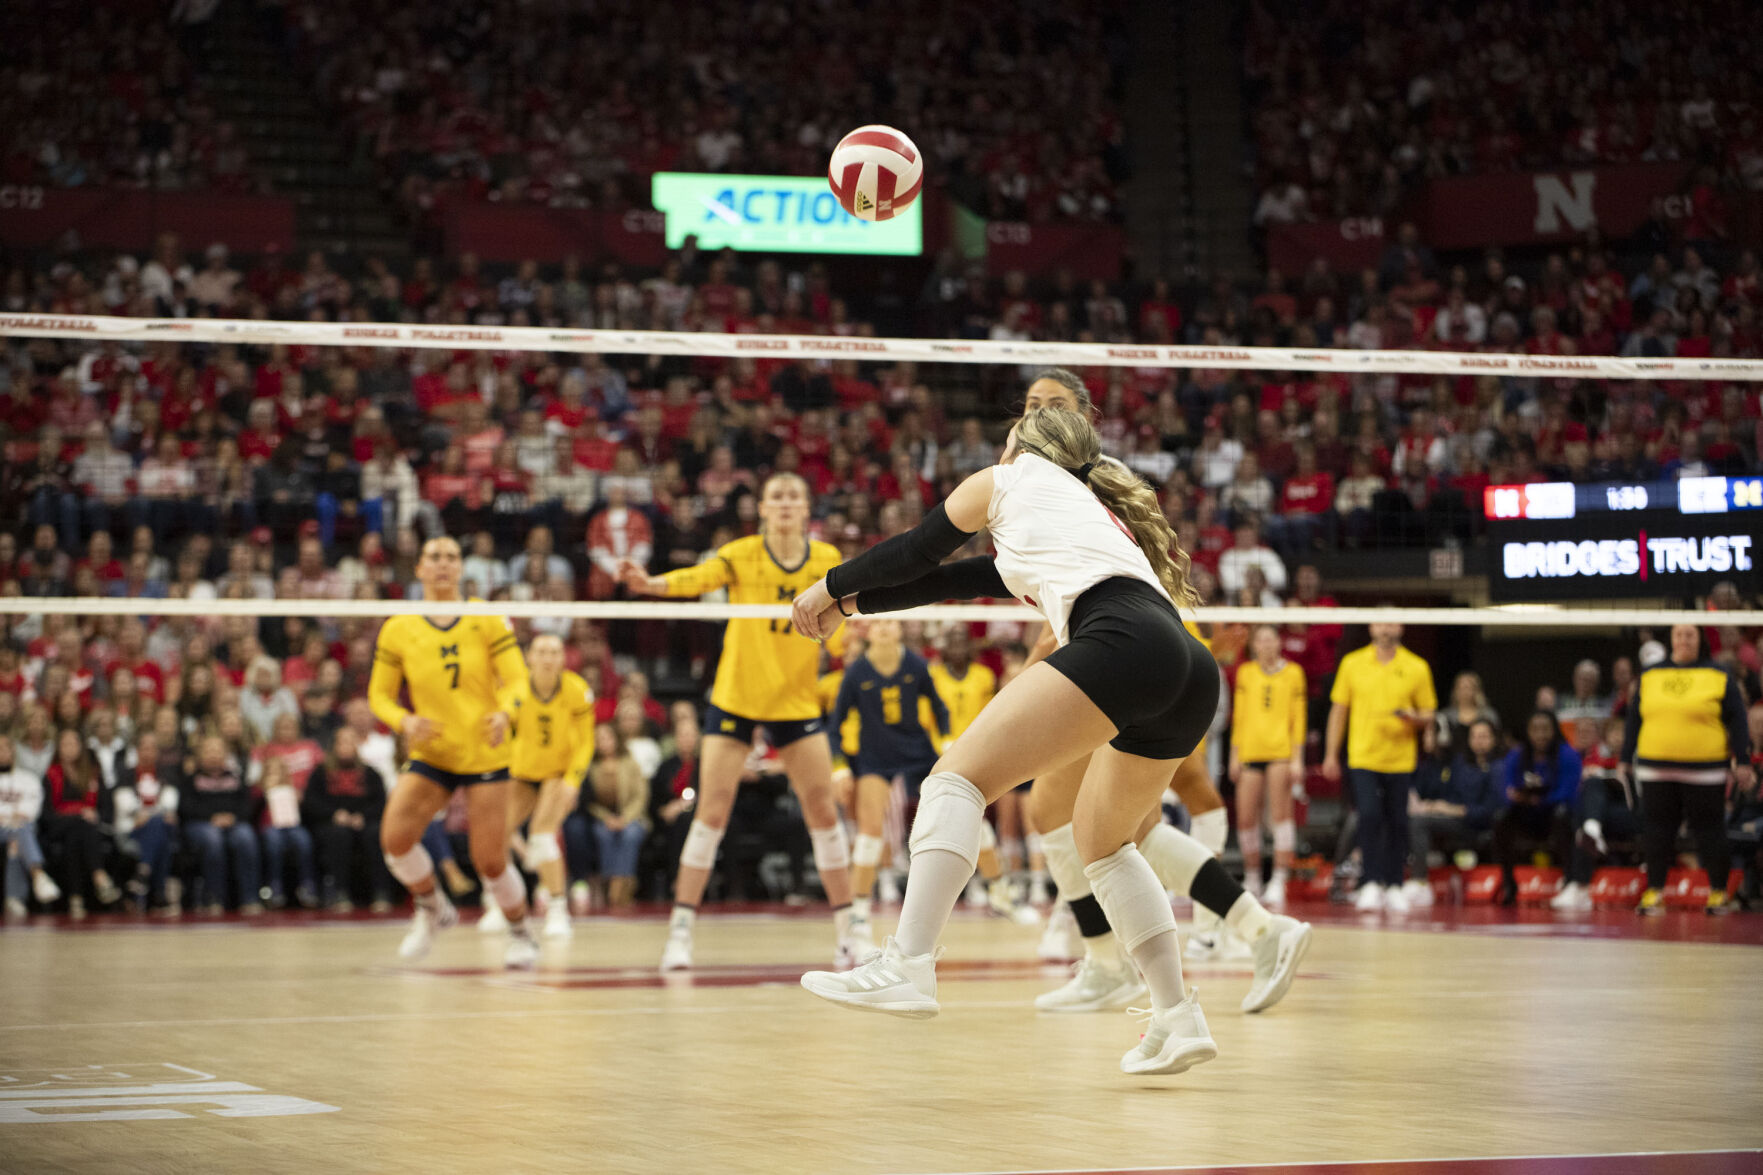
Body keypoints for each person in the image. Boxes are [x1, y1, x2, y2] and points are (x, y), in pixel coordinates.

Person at [794, 403, 1299, 1077]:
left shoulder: (1006, 479)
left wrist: (824, 586)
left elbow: (917, 550)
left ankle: (907, 963)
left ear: (1019, 445)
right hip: (1186, 663)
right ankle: (1177, 1017)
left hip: (1119, 639)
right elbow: (952, 581)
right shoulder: (1076, 511)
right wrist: (850, 605)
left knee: (955, 777)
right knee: (1105, 843)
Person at [620, 473, 865, 971]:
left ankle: (849, 932)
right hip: (737, 698)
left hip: (795, 704)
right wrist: (651, 585)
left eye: (794, 495)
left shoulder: (825, 560)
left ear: (806, 507)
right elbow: (698, 578)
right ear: (763, 508)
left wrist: (850, 640)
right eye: (777, 495)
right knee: (710, 812)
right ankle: (681, 933)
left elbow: (843, 620)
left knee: (822, 812)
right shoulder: (742, 552)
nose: (785, 503)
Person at [369, 535, 538, 968]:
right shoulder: (399, 627)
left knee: (490, 861)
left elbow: (519, 682)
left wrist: (507, 713)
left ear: (461, 568)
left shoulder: (485, 618)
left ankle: (521, 931)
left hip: (484, 752)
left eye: (451, 558)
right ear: (420, 568)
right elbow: (379, 696)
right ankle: (431, 907)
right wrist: (404, 721)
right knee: (395, 840)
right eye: (434, 558)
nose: (443, 564)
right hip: (434, 752)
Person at [1628, 624, 1754, 915]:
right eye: (1679, 634)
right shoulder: (1651, 674)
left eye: (1690, 634)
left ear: (1699, 639)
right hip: (1655, 767)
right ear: (1671, 638)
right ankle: (1654, 891)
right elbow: (1634, 718)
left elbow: (1737, 720)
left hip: (1705, 770)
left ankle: (1719, 892)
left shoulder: (1718, 674)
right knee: (1657, 832)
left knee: (1710, 831)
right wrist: (1625, 757)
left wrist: (1742, 760)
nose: (1683, 639)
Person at [831, 617, 949, 929]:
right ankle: (858, 910)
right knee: (869, 832)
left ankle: (996, 887)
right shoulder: (856, 672)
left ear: (901, 628)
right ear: (867, 630)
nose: (883, 627)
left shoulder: (916, 665)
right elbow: (834, 725)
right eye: (877, 622)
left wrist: (948, 742)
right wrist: (840, 767)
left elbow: (940, 709)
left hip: (917, 753)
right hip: (876, 757)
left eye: (891, 621)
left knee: (958, 806)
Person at [479, 633, 595, 939]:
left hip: (558, 774)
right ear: (529, 657)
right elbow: (508, 708)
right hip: (523, 773)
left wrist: (574, 780)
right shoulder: (518, 689)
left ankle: (558, 911)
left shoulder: (577, 690)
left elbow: (586, 742)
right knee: (497, 836)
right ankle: (499, 905)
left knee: (542, 837)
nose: (548, 658)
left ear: (563, 658)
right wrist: (501, 719)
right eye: (541, 652)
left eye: (555, 652)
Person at [1323, 620, 1437, 912]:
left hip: (1400, 759)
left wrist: (1413, 717)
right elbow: (1339, 710)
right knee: (1369, 817)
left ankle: (1395, 883)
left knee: (1399, 821)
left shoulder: (1416, 666)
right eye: (1380, 624)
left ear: (1400, 628)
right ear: (1372, 628)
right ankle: (1370, 882)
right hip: (1363, 756)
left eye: (1391, 624)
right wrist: (1331, 754)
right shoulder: (1353, 663)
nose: (1385, 629)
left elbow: (1429, 713)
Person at [1230, 624, 1306, 905]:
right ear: (1254, 645)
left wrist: (1297, 759)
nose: (1265, 644)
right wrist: (1234, 755)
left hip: (1281, 753)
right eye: (1260, 640)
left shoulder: (1293, 673)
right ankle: (1252, 877)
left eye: (1270, 639)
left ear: (1279, 643)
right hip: (1250, 752)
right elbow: (1239, 717)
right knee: (1246, 817)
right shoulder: (1246, 672)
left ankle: (1279, 878)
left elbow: (1298, 718)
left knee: (1280, 817)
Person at [1492, 711, 1580, 905]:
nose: (1541, 735)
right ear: (1528, 732)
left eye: (1545, 729)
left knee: (1562, 814)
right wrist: (1515, 796)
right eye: (1535, 729)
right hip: (1527, 815)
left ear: (1554, 731)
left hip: (1554, 815)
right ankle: (1508, 882)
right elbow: (1507, 788)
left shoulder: (1567, 754)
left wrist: (1540, 800)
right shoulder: (1517, 755)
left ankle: (1570, 881)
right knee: (1501, 817)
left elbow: (1568, 793)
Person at [1553, 718, 1639, 912]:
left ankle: (1576, 882)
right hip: (1604, 817)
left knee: (1586, 812)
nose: (1618, 738)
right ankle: (1592, 831)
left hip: (1631, 814)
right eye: (1613, 733)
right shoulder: (1594, 758)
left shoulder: (1637, 759)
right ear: (1605, 737)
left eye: (1622, 734)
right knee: (1586, 796)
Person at [1407, 719, 1502, 895]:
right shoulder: (1461, 764)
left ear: (1494, 739)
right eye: (1474, 736)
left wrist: (1456, 810)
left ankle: (1419, 881)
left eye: (1484, 736)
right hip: (1455, 819)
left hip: (1478, 823)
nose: (1478, 741)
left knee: (1420, 822)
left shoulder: (1499, 767)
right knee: (1412, 817)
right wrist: (1435, 806)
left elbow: (1493, 809)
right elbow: (1448, 794)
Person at [304, 726, 391, 911]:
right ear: (334, 746)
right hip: (332, 822)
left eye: (350, 742)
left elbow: (381, 801)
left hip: (365, 821)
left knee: (376, 834)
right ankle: (340, 893)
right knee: (339, 835)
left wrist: (363, 816)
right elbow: (311, 801)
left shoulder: (370, 773)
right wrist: (334, 814)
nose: (346, 746)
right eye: (342, 742)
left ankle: (381, 892)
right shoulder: (320, 772)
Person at [41, 729, 123, 915]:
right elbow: (46, 815)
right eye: (65, 744)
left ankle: (75, 898)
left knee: (77, 834)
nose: (70, 748)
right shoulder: (51, 775)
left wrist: (95, 815)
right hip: (57, 825)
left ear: (81, 747)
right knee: (81, 822)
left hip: (85, 829)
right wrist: (78, 813)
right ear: (58, 749)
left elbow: (105, 810)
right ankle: (100, 877)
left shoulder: (93, 773)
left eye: (73, 744)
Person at [183, 734, 263, 914]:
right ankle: (215, 897)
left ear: (225, 755)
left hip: (233, 823)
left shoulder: (235, 777)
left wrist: (232, 817)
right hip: (201, 825)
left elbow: (246, 805)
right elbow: (186, 807)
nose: (213, 755)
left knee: (246, 836)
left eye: (218, 751)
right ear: (200, 755)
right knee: (213, 840)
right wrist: (212, 817)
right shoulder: (191, 778)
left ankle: (249, 898)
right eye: (209, 750)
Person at [583, 724, 649, 908]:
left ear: (616, 739)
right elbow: (589, 801)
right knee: (603, 834)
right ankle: (608, 881)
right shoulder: (590, 767)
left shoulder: (630, 762)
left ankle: (622, 884)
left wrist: (625, 819)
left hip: (631, 816)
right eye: (600, 739)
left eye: (607, 738)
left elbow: (640, 795)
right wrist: (607, 818)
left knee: (630, 834)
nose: (604, 743)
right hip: (603, 817)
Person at [0, 735, 62, 915]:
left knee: (16, 840)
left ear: (13, 751)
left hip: (20, 826)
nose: (1, 752)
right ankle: (38, 875)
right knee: (19, 830)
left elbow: (32, 809)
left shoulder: (28, 778)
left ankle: (14, 899)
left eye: (5, 748)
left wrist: (12, 817)